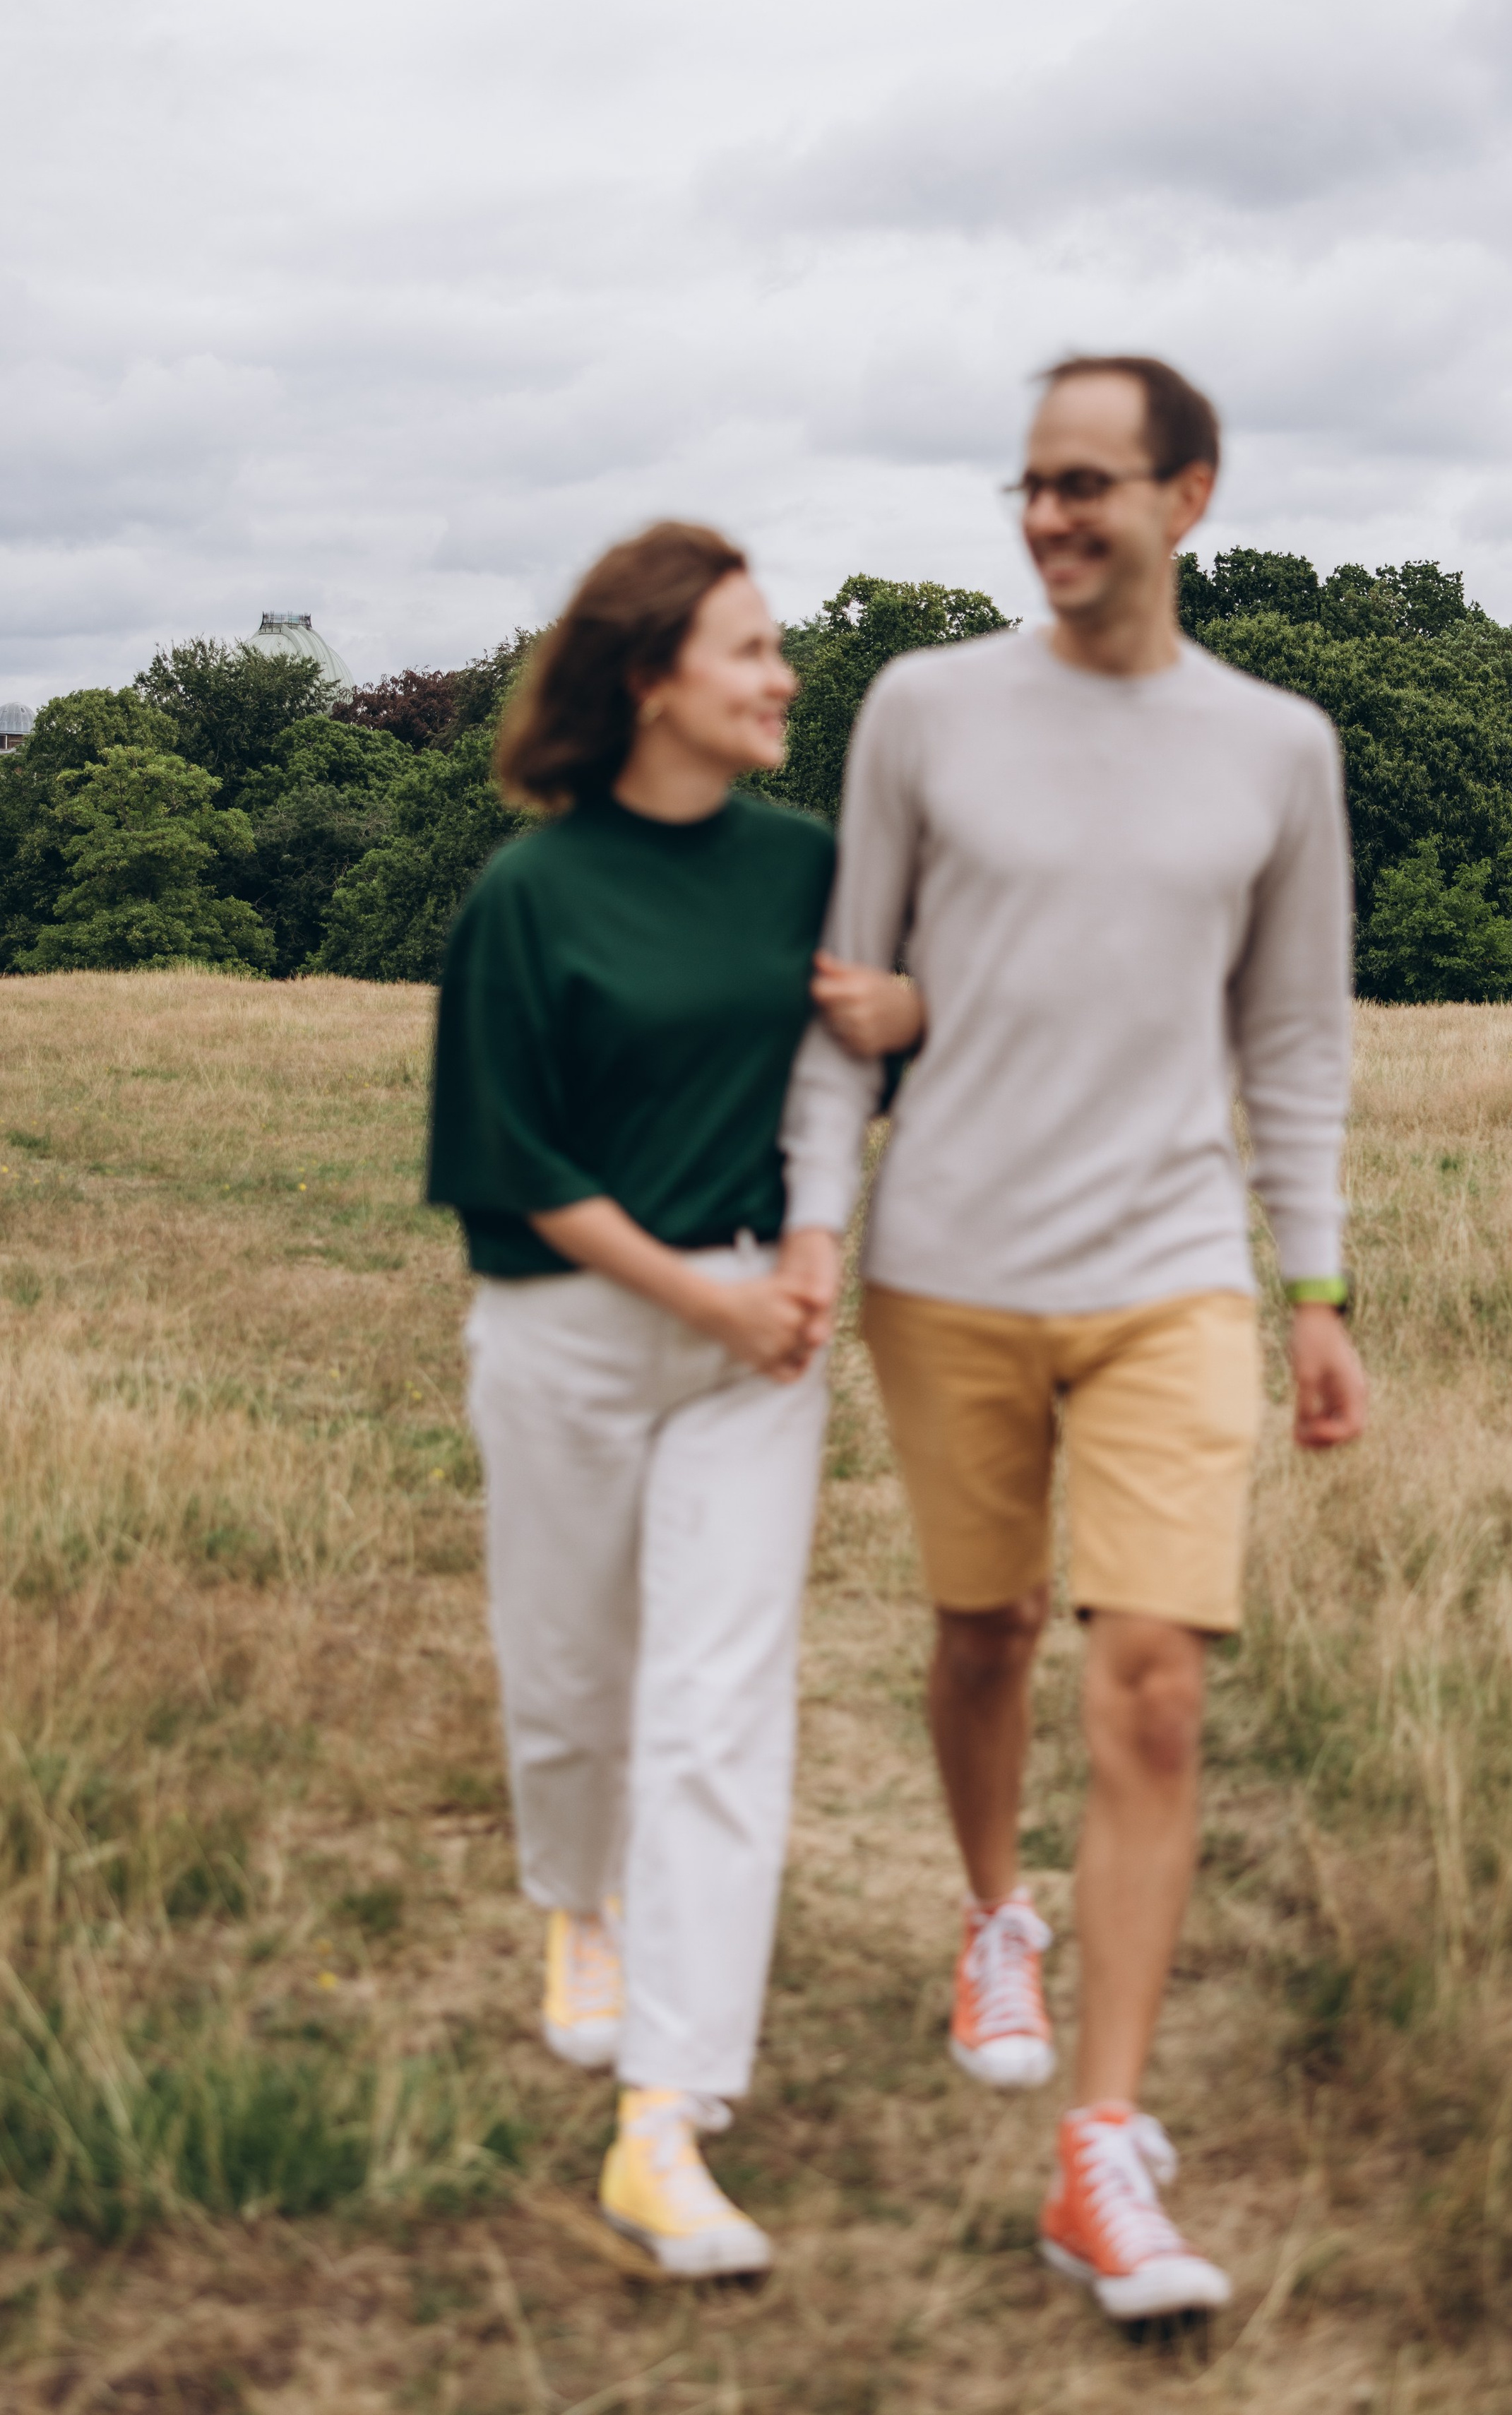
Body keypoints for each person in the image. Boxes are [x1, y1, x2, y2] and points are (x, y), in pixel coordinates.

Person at [788, 357, 1367, 2326]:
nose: (1050, 515)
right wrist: (808, 1216)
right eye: (1031, 482)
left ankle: (1101, 2145)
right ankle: (990, 1913)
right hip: (946, 1258)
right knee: (989, 1631)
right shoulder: (925, 709)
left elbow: (1292, 1036)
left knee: (1152, 1684)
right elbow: (843, 993)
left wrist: (1318, 1289)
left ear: (1190, 493)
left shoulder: (1278, 744)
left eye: (1090, 482)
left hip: (1173, 1267)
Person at [426, 522, 920, 2279]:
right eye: (748, 648)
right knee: (572, 1680)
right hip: (564, 1324)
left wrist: (797, 1250)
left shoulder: (803, 865)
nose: (783, 675)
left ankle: (666, 2116)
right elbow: (513, 1157)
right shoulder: (528, 895)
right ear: (649, 679)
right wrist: (692, 1283)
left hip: (746, 1348)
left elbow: (832, 1059)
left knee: (719, 1706)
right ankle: (577, 1900)